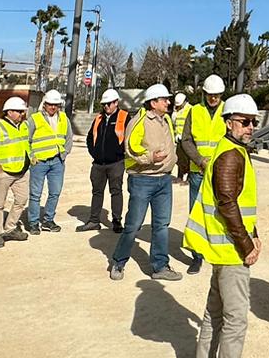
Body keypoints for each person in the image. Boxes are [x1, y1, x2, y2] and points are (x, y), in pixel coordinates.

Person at [186, 93, 264, 358]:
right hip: (231, 253)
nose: (250, 127)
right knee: (235, 322)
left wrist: (254, 233)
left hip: (221, 249)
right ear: (229, 121)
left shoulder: (228, 150)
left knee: (212, 317)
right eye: (244, 122)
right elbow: (227, 204)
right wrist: (247, 245)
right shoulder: (231, 155)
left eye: (253, 122)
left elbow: (236, 203)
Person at [108, 83, 183, 282]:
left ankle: (160, 266)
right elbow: (130, 149)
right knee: (133, 225)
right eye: (164, 99)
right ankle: (118, 261)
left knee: (161, 225)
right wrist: (151, 157)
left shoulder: (166, 119)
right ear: (153, 103)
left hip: (164, 181)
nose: (168, 102)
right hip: (142, 180)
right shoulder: (139, 120)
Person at [178, 73, 228, 274]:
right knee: (196, 215)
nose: (213, 98)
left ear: (221, 94)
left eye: (216, 95)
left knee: (222, 212)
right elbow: (186, 140)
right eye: (210, 94)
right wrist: (199, 160)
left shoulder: (228, 111)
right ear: (204, 94)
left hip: (221, 171)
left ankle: (219, 252)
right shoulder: (195, 112)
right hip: (198, 171)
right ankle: (197, 256)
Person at [0, 97, 33, 249]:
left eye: (22, 112)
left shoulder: (23, 126)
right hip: (4, 172)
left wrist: (31, 157)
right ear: (9, 112)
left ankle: (10, 228)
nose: (21, 114)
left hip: (21, 171)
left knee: (21, 200)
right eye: (18, 112)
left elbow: (26, 144)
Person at [25, 88, 77, 234]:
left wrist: (64, 154)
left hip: (57, 162)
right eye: (50, 104)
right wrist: (31, 157)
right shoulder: (35, 119)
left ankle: (48, 220)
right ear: (44, 104)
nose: (53, 107)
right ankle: (33, 222)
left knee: (55, 192)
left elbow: (68, 138)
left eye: (56, 104)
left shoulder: (64, 119)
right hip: (39, 162)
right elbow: (26, 140)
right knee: (36, 194)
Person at [83, 88, 129, 231]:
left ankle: (116, 221)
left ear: (116, 102)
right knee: (97, 192)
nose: (106, 106)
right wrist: (95, 153)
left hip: (116, 163)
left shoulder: (124, 117)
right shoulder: (99, 118)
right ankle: (94, 220)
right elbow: (90, 138)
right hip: (98, 164)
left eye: (109, 103)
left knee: (116, 191)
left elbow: (130, 138)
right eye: (104, 104)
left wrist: (120, 154)